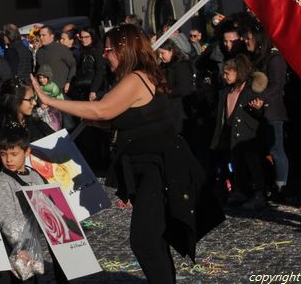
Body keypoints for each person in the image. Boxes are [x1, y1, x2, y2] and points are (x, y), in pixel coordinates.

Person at [30, 23, 224, 284]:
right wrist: (96, 122)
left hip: (161, 165)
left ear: (124, 51)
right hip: (147, 164)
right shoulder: (132, 77)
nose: (104, 54)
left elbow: (102, 110)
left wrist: (51, 101)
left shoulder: (136, 78)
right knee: (154, 238)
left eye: (108, 50)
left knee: (144, 239)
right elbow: (116, 119)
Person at [0, 127, 57, 284]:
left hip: (32, 237)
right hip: (15, 243)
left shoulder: (34, 174)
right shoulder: (3, 183)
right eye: (3, 154)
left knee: (31, 277)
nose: (8, 160)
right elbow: (7, 218)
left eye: (14, 154)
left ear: (27, 152)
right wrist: (19, 247)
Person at [210, 54, 268, 210]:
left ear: (238, 72)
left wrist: (258, 108)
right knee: (237, 164)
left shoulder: (250, 90)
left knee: (253, 164)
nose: (224, 76)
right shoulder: (226, 92)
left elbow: (260, 113)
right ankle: (240, 191)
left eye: (228, 73)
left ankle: (260, 194)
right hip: (231, 134)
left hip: (248, 134)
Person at [243, 26, 289, 201]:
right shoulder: (259, 59)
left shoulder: (275, 58)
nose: (246, 41)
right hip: (259, 112)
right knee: (266, 150)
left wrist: (262, 98)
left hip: (273, 112)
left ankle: (281, 187)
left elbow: (277, 85)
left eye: (249, 38)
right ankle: (270, 185)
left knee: (277, 150)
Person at [0, 78, 54, 142]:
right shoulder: (4, 134)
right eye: (30, 99)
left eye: (33, 98)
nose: (34, 103)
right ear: (15, 102)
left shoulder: (36, 123)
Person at [157, 39, 195, 135]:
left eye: (162, 53)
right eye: (159, 54)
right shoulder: (163, 66)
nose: (160, 57)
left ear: (171, 51)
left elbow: (185, 88)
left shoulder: (181, 66)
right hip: (168, 110)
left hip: (180, 111)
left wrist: (166, 91)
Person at [34, 65, 63, 131]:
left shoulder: (53, 86)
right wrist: (39, 103)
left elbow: (61, 99)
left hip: (53, 112)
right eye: (40, 78)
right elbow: (36, 97)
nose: (41, 80)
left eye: (44, 78)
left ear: (49, 77)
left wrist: (49, 103)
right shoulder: (38, 86)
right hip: (43, 111)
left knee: (55, 128)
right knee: (46, 128)